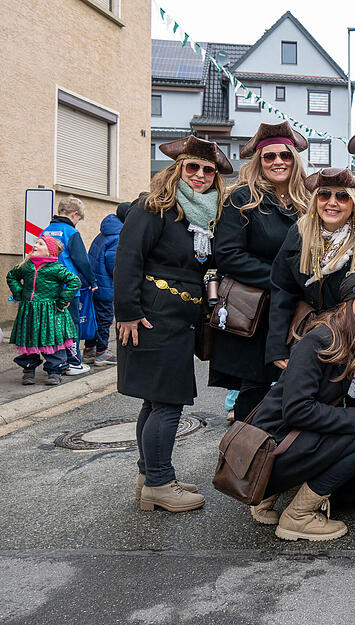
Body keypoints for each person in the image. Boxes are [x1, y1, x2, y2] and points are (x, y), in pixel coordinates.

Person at [114, 135, 231, 513]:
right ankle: (160, 484)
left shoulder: (204, 215)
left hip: (178, 320)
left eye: (207, 170)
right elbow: (128, 260)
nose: (199, 175)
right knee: (167, 403)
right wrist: (128, 311)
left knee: (156, 400)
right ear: (177, 169)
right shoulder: (153, 207)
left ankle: (149, 475)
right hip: (151, 318)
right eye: (192, 167)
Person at [249, 272, 355, 540]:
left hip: (288, 439)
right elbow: (296, 410)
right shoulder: (317, 341)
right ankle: (298, 515)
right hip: (273, 444)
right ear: (346, 306)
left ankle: (267, 494)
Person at [209, 122, 311, 421]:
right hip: (256, 311)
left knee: (298, 389)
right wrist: (283, 281)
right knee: (254, 393)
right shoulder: (241, 199)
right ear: (259, 161)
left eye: (285, 156)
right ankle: (244, 459)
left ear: (294, 160)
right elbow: (228, 255)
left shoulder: (308, 202)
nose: (278, 162)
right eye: (270, 157)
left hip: (296, 310)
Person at [266, 168, 355, 369]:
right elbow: (283, 292)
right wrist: (277, 346)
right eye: (325, 194)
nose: (332, 202)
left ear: (354, 203)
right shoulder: (299, 235)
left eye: (342, 196)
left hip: (351, 343)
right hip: (305, 338)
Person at [7, 235, 80, 386]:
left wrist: (62, 301)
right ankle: (28, 370)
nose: (35, 246)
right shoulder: (26, 266)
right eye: (36, 243)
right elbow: (11, 276)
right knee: (29, 339)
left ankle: (55, 371)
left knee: (51, 340)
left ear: (50, 252)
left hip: (50, 311)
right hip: (29, 310)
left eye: (40, 244)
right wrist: (18, 293)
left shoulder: (56, 268)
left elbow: (74, 281)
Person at [41, 195, 96, 375]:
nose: (78, 222)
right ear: (74, 214)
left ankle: (58, 362)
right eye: (79, 219)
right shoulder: (71, 233)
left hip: (48, 289)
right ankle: (73, 362)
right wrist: (91, 281)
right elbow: (82, 261)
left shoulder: (46, 231)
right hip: (68, 287)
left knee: (53, 325)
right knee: (72, 324)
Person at [84, 206, 124, 366]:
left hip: (94, 283)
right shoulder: (118, 236)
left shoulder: (104, 233)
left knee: (94, 318)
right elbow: (114, 265)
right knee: (104, 319)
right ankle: (101, 352)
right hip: (105, 287)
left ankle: (89, 350)